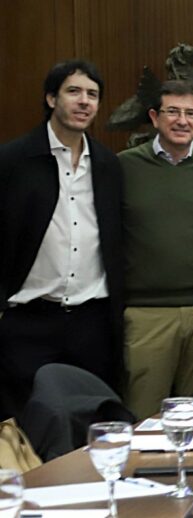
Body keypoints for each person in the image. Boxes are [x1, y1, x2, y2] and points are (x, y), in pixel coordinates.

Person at [0, 60, 124, 418]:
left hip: (92, 322)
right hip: (28, 322)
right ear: (51, 98)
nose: (84, 102)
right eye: (74, 91)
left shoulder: (107, 165)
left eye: (93, 95)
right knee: (26, 428)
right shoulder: (13, 161)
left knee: (91, 422)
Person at [117, 80, 193, 418]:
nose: (182, 121)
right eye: (172, 112)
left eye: (191, 114)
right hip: (145, 314)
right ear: (154, 117)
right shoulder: (124, 166)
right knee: (142, 418)